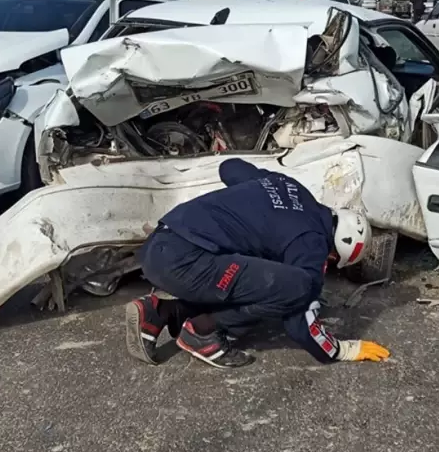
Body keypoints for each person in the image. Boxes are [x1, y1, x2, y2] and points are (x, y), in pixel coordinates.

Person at [124, 157, 391, 369]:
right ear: (337, 248)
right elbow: (299, 319)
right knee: (297, 287)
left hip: (160, 245)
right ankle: (203, 332)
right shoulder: (312, 244)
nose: (327, 263)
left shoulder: (290, 187)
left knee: (253, 275)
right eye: (332, 260)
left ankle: (160, 312)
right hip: (185, 262)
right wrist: (343, 350)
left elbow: (230, 168)